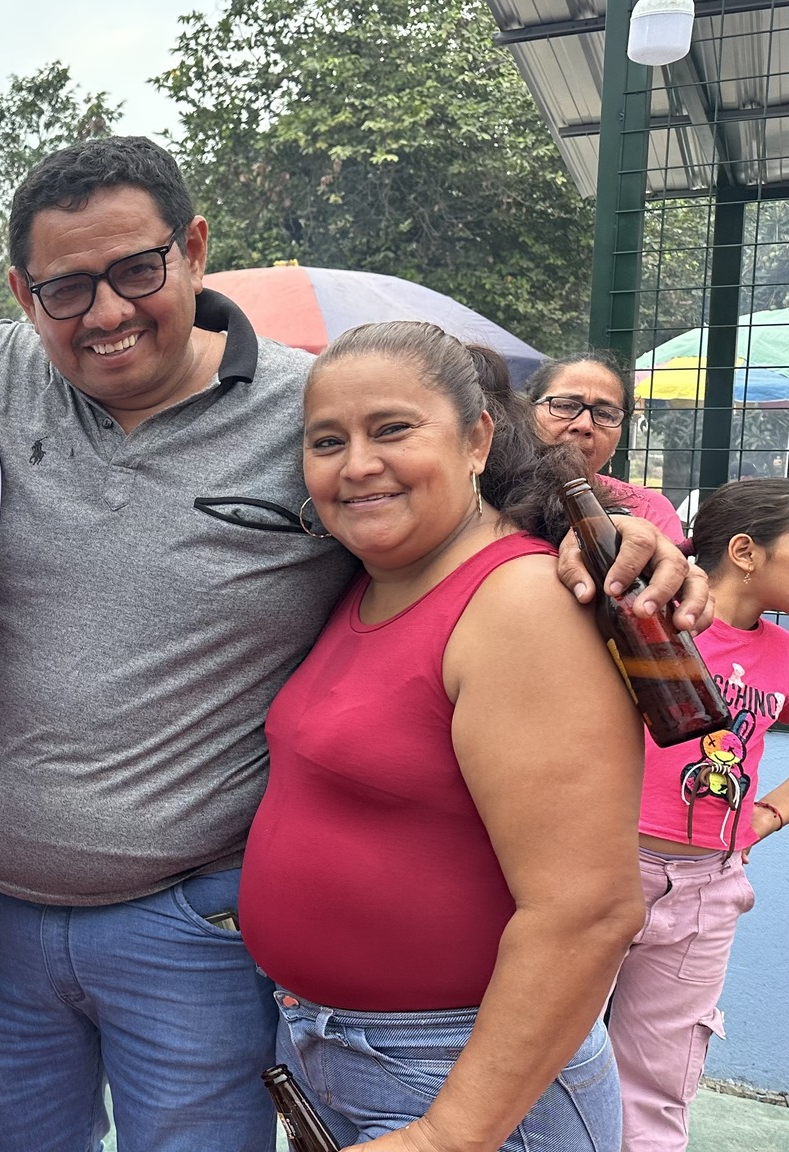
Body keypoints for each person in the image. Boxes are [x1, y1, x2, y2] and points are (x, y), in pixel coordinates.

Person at [0, 136, 705, 1151]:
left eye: (136, 271)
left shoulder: (312, 415)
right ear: (22, 294)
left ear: (193, 249)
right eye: (64, 287)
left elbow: (454, 488)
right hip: (3, 923)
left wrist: (620, 543)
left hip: (191, 928)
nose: (103, 311)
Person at [239, 323, 642, 1149]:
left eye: (392, 429)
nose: (358, 464)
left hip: (461, 1082)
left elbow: (589, 910)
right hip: (333, 1051)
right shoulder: (367, 581)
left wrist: (447, 1134)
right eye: (327, 441)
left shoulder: (520, 603)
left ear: (477, 440)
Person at [609, 477, 789, 1151]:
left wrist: (768, 814)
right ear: (745, 551)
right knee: (555, 1056)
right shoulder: (651, 622)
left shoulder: (781, 653)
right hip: (609, 866)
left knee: (661, 1079)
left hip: (709, 889)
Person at [527, 350, 686, 543]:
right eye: (565, 406)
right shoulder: (493, 494)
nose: (584, 425)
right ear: (527, 413)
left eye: (605, 414)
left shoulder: (647, 511)